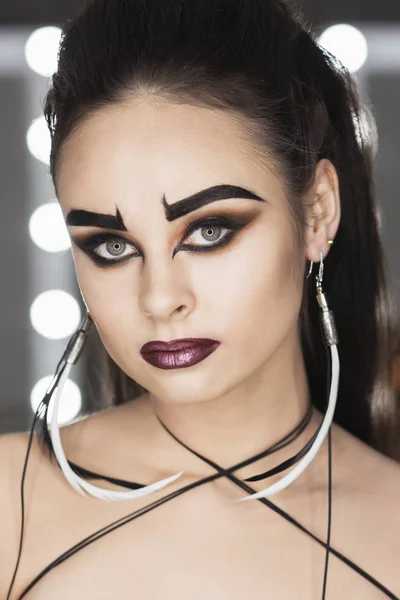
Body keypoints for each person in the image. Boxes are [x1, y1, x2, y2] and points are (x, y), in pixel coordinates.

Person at [1, 0, 400, 597]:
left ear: (316, 211)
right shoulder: (11, 501)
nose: (160, 299)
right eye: (112, 246)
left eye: (208, 231)